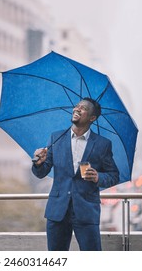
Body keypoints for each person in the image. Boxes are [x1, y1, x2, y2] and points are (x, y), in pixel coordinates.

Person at [32, 97, 119, 251]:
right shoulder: (56, 138)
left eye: (83, 108)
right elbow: (41, 173)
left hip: (86, 211)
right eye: (77, 106)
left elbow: (113, 175)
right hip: (58, 211)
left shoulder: (102, 144)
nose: (77, 109)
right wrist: (38, 163)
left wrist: (98, 177)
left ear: (92, 118)